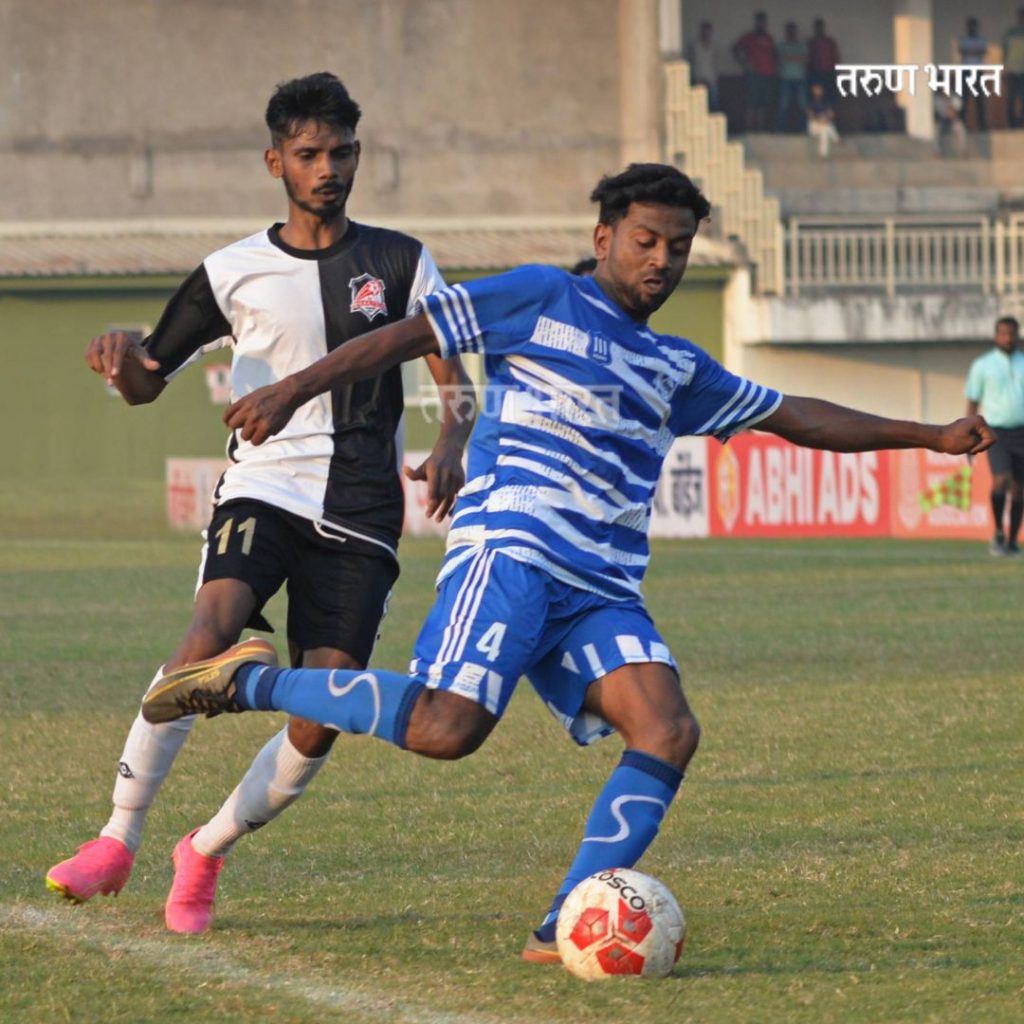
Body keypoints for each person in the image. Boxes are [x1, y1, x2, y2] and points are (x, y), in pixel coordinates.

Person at [138, 164, 994, 964]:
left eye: (679, 246)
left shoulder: (677, 367)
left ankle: (564, 923)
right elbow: (407, 337)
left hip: (603, 585)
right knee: (446, 731)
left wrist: (929, 437)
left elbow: (794, 415)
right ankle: (242, 682)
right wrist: (296, 388)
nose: (662, 259)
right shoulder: (540, 296)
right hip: (513, 548)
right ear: (604, 238)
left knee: (667, 729)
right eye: (646, 240)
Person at [45, 72, 474, 934]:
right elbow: (147, 379)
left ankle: (203, 849)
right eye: (310, 154)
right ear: (275, 159)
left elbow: (453, 372)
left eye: (342, 152)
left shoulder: (400, 259)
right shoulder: (230, 270)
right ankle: (116, 838)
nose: (329, 168)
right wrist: (119, 363)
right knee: (209, 631)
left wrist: (454, 441)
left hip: (360, 508)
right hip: (264, 483)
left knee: (324, 711)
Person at [965, 316, 1024, 555]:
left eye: (1011, 334)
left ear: (1018, 335)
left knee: (1020, 488)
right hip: (996, 432)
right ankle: (998, 532)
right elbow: (972, 402)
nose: (1007, 338)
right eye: (1002, 333)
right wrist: (969, 436)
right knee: (1001, 480)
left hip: (1023, 431)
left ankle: (1012, 540)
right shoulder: (983, 365)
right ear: (995, 335)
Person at [732, 11, 778, 132]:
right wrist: (744, 64)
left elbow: (774, 55)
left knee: (763, 104)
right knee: (751, 103)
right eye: (760, 22)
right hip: (753, 75)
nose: (762, 24)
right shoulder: (748, 37)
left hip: (768, 76)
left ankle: (760, 130)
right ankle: (749, 129)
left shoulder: (769, 38)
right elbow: (735, 49)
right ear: (756, 22)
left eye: (764, 22)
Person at [775, 21, 809, 132]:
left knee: (802, 105)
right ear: (786, 32)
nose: (791, 32)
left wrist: (788, 58)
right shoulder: (781, 45)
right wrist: (795, 58)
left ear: (796, 32)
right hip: (785, 78)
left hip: (800, 78)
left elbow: (805, 60)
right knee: (783, 106)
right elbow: (779, 59)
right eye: (789, 30)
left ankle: (803, 130)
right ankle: (780, 130)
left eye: (793, 30)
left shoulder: (802, 45)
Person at [958, 17, 989, 130]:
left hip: (978, 71)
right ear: (968, 27)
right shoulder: (964, 39)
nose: (972, 28)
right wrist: (974, 51)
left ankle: (982, 125)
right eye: (970, 26)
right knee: (964, 99)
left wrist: (971, 51)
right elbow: (962, 51)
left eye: (974, 26)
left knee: (979, 100)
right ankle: (962, 125)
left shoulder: (981, 39)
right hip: (966, 71)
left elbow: (983, 51)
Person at [685, 19, 721, 111]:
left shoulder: (714, 46)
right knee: (698, 105)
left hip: (712, 79)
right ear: (700, 31)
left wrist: (715, 77)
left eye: (708, 31)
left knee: (713, 105)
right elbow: (690, 61)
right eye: (704, 30)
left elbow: (715, 62)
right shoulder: (694, 46)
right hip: (699, 78)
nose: (706, 33)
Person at [807, 17, 841, 102]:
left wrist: (836, 72)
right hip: (815, 73)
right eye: (816, 27)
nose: (818, 29)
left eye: (820, 27)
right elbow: (808, 59)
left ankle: (829, 114)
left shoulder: (829, 42)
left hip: (828, 73)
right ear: (814, 28)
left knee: (829, 96)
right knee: (816, 97)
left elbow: (835, 57)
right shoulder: (811, 42)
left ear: (823, 27)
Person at [807, 82, 839, 158]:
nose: (818, 91)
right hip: (813, 126)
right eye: (816, 89)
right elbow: (810, 116)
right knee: (826, 127)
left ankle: (823, 154)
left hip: (824, 125)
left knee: (824, 131)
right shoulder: (810, 102)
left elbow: (831, 114)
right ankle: (836, 138)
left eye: (819, 89)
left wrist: (825, 119)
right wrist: (820, 120)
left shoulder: (826, 102)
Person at [1004, 7, 1024, 128]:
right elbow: (1005, 52)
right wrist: (1005, 69)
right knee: (1011, 98)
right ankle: (1012, 124)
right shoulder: (1010, 33)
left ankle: (1021, 123)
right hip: (1012, 70)